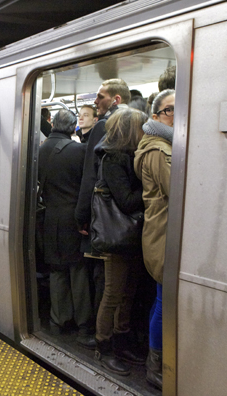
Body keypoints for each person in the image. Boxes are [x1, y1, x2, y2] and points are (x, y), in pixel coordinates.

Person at [73, 78, 131, 349]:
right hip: (121, 218)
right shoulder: (130, 127)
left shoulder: (104, 127)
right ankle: (108, 338)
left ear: (116, 100)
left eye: (100, 97)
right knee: (114, 284)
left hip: (105, 217)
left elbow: (89, 175)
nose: (96, 102)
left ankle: (104, 336)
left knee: (108, 282)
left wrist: (82, 214)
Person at [92, 108, 148, 375]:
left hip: (133, 235)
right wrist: (149, 185)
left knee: (127, 293)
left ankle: (121, 342)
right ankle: (103, 347)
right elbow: (126, 201)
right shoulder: (113, 159)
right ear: (130, 130)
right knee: (113, 293)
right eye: (142, 127)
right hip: (118, 236)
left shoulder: (130, 156)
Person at [134, 89, 175, 390]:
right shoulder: (159, 150)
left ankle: (155, 353)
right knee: (163, 301)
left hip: (159, 231)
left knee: (161, 299)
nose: (177, 114)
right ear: (157, 115)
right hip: (162, 233)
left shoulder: (163, 145)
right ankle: (155, 365)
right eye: (171, 109)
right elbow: (176, 189)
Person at [38, 109, 91, 338]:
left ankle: (58, 319)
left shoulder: (40, 150)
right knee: (77, 271)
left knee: (57, 270)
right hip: (72, 220)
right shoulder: (79, 150)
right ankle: (83, 323)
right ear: (72, 128)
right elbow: (85, 188)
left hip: (50, 218)